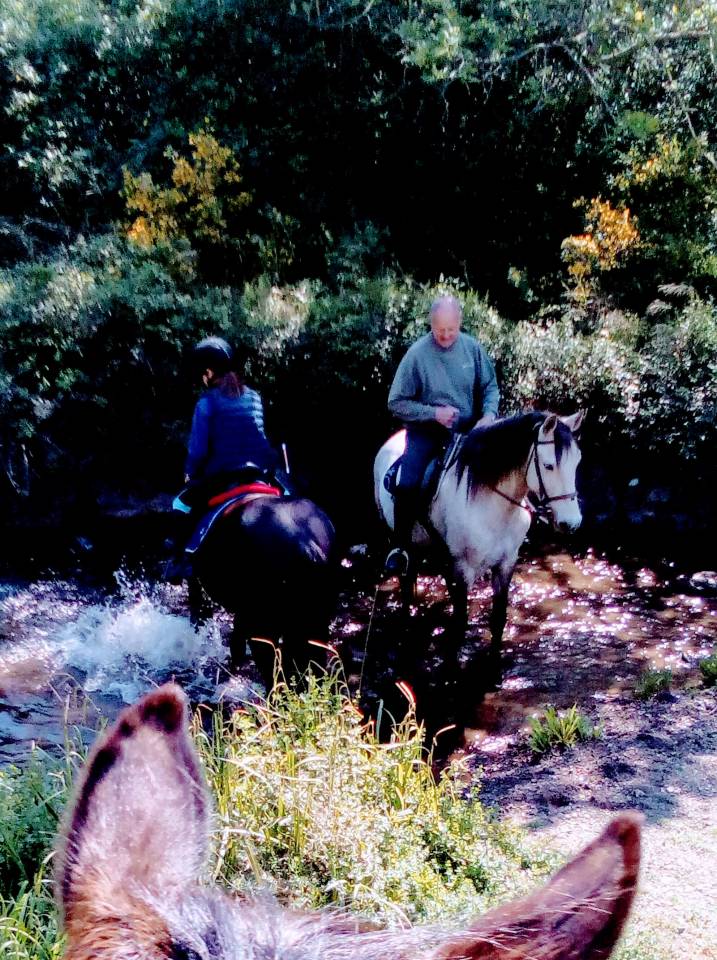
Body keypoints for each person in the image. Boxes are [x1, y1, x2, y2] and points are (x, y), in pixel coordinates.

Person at [385, 295, 500, 575]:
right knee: (409, 481)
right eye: (440, 330)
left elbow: (490, 387)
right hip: (426, 431)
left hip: (469, 428)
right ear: (431, 324)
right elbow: (396, 402)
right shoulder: (417, 355)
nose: (446, 335)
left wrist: (488, 415)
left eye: (451, 329)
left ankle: (496, 539)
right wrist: (432, 413)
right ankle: (400, 547)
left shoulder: (472, 349)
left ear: (460, 322)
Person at [164, 336, 278, 582]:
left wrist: (190, 473)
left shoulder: (206, 402)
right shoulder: (254, 397)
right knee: (290, 493)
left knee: (179, 505)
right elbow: (260, 437)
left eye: (201, 373)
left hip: (222, 478)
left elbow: (198, 449)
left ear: (208, 371)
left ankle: (180, 562)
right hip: (260, 475)